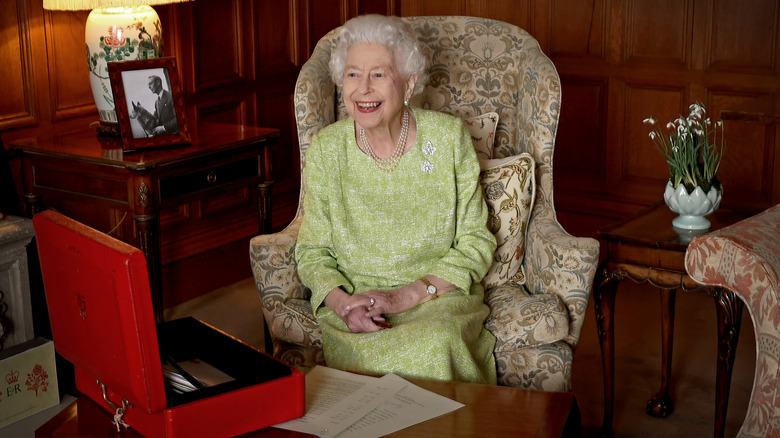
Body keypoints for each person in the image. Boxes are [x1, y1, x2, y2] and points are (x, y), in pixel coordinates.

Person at [294, 15, 497, 384]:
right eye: (353, 74)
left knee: (436, 345)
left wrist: (406, 297)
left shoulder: (449, 138)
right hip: (356, 305)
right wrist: (343, 306)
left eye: (379, 74)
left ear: (408, 84)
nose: (363, 89)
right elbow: (312, 252)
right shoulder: (326, 149)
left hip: (437, 298)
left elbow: (475, 242)